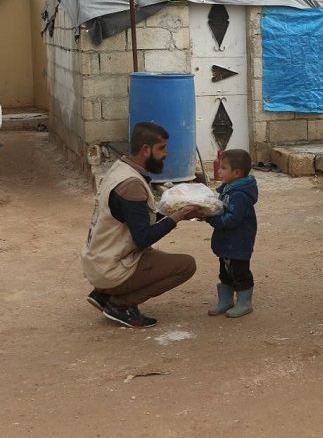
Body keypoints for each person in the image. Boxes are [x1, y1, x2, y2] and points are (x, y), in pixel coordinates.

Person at [82, 121, 199, 328]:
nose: (166, 154)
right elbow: (143, 237)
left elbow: (138, 219)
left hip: (99, 259)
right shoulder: (132, 185)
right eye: (161, 148)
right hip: (111, 268)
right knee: (186, 265)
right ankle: (120, 304)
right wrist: (178, 216)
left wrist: (171, 209)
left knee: (153, 256)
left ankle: (104, 294)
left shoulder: (120, 168)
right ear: (146, 150)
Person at [205, 149, 258, 318]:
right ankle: (226, 301)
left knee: (240, 273)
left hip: (238, 243)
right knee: (225, 273)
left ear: (237, 173)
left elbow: (231, 219)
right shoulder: (228, 189)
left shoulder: (239, 195)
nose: (219, 171)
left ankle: (244, 302)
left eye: (223, 168)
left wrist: (211, 218)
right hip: (226, 243)